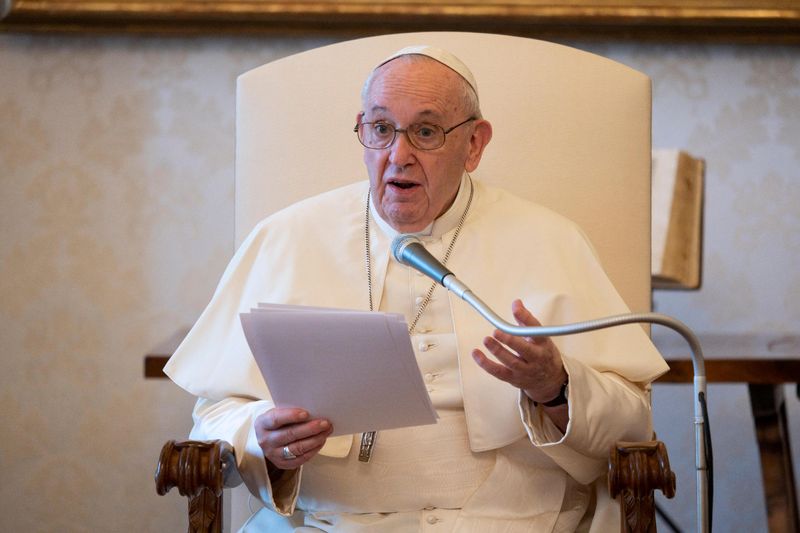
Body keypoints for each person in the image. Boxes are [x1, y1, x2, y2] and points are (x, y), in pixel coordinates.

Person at [165, 45, 668, 532]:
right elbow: (213, 422)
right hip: (329, 525)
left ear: (474, 144)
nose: (398, 155)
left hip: (516, 525)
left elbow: (633, 425)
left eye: (426, 131)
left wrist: (555, 387)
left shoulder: (550, 239)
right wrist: (260, 437)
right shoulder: (286, 238)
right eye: (381, 129)